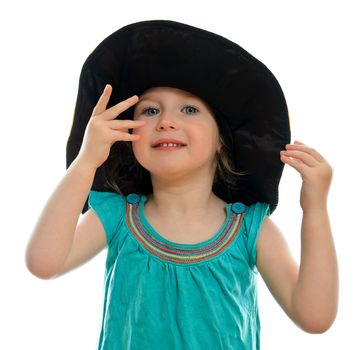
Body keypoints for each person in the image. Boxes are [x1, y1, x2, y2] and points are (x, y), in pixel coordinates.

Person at [25, 20, 338, 349]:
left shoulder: (249, 229)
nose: (166, 121)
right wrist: (85, 162)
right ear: (129, 134)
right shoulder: (117, 217)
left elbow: (314, 317)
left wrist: (315, 209)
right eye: (150, 110)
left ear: (222, 140)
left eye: (189, 109)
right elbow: (44, 263)